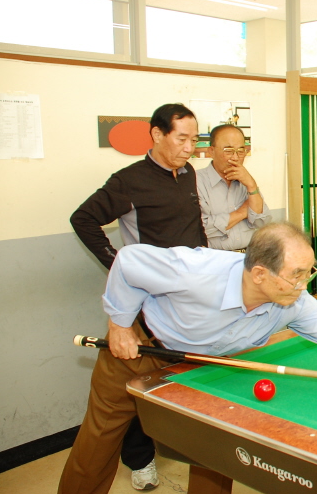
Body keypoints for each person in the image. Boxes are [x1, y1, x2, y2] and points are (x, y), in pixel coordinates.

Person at [58, 223, 317, 494]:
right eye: (297, 274)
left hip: (208, 367)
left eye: (310, 271)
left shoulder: (293, 302)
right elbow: (129, 262)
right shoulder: (196, 271)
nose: (305, 284)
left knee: (211, 448)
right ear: (259, 275)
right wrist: (119, 324)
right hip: (141, 348)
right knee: (99, 440)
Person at [69, 103, 207, 490]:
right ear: (158, 134)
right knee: (123, 402)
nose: (189, 147)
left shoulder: (188, 173)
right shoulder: (129, 180)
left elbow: (194, 231)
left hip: (189, 305)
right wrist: (119, 265)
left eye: (194, 139)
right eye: (182, 138)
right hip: (144, 311)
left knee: (201, 403)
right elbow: (83, 219)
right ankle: (137, 460)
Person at [198, 125, 271, 251]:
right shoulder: (196, 181)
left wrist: (252, 185)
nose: (235, 158)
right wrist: (242, 212)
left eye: (241, 151)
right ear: (211, 151)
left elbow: (262, 222)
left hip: (249, 257)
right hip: (215, 259)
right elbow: (200, 229)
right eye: (228, 150)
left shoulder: (246, 181)